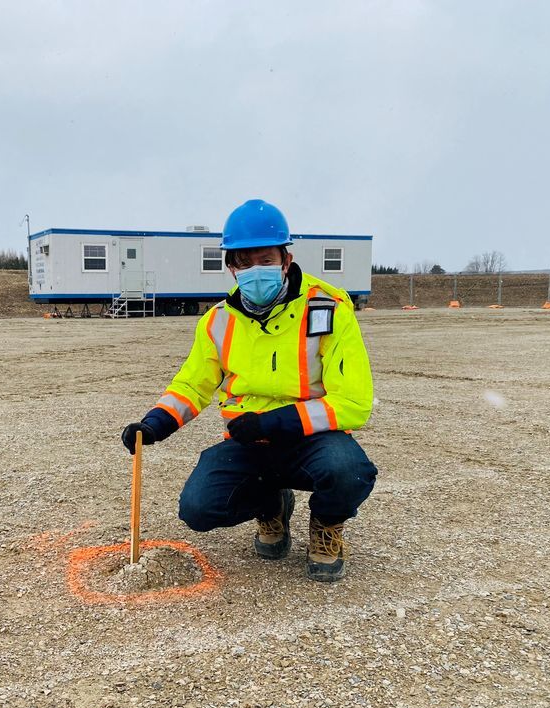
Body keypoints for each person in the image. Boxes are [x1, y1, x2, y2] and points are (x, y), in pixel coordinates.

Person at [122, 199, 377, 582]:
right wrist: (155, 424)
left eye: (265, 259)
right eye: (244, 261)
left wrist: (275, 423)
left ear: (286, 260)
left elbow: (354, 401)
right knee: (198, 508)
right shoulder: (218, 322)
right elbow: (193, 383)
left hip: (314, 440)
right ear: (231, 267)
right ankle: (270, 504)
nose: (255, 270)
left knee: (349, 472)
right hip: (248, 442)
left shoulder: (329, 308)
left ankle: (326, 526)